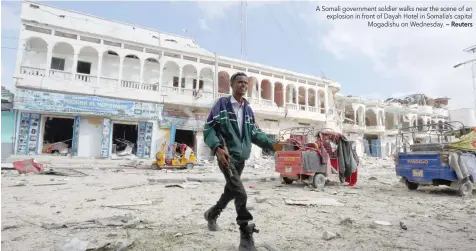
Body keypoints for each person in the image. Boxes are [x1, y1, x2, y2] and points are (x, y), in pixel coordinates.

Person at [203, 72, 280, 251]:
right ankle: (245, 235)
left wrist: (274, 145)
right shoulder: (221, 105)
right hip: (226, 157)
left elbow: (255, 133)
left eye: (246, 83)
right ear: (232, 84)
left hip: (241, 160)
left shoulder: (248, 110)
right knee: (241, 193)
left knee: (230, 192)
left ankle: (211, 214)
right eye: (240, 82)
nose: (243, 85)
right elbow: (209, 128)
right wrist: (217, 148)